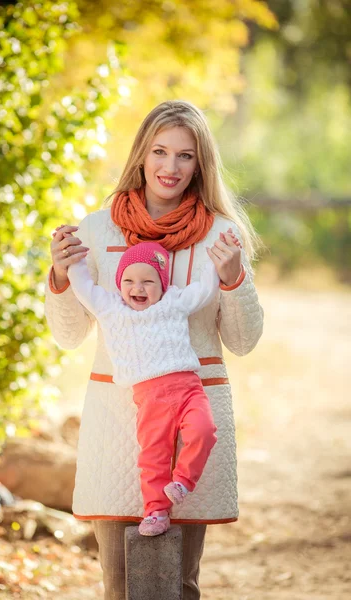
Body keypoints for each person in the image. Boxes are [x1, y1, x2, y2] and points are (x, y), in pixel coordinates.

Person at [45, 100, 264, 598]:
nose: (170, 167)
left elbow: (244, 341)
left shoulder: (221, 235)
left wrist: (232, 279)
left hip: (193, 416)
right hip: (117, 423)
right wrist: (59, 275)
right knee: (119, 584)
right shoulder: (96, 231)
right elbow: (68, 334)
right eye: (160, 152)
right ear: (141, 156)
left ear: (200, 164)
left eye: (185, 156)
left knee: (177, 583)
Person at [66, 240, 236, 535]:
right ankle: (156, 511)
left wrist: (216, 262)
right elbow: (84, 288)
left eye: (148, 281)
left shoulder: (174, 301)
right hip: (150, 397)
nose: (138, 288)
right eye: (129, 280)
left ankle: (183, 482)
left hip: (188, 388)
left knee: (204, 431)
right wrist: (74, 261)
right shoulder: (111, 309)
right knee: (153, 457)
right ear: (119, 283)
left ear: (162, 284)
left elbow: (205, 290)